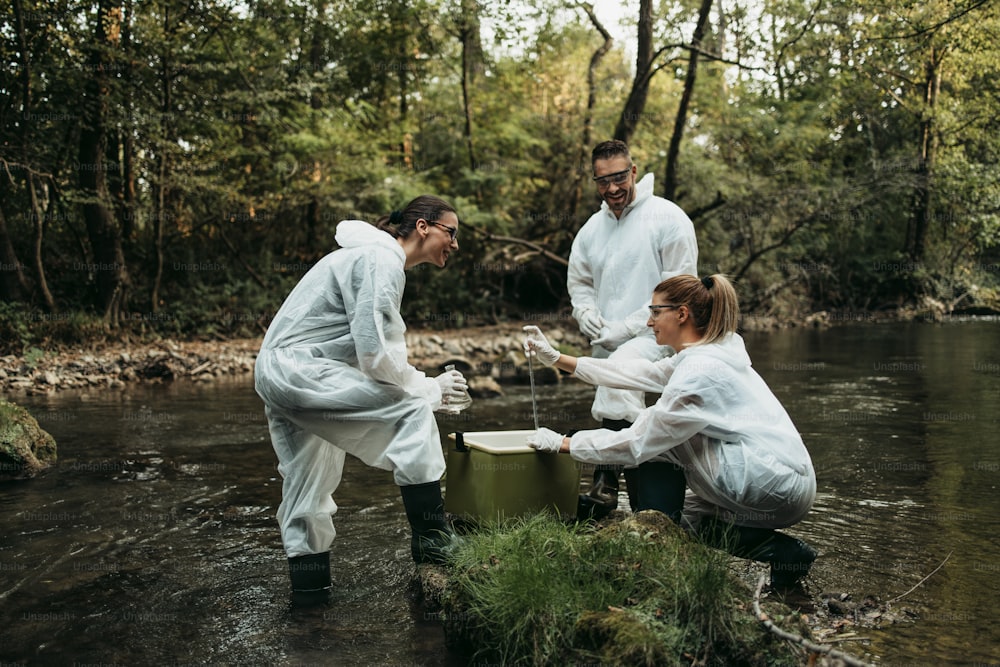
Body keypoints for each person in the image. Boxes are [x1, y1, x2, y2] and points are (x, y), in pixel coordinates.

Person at [523, 274, 818, 589]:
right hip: (776, 480)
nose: (649, 323)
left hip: (773, 482)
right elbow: (641, 373)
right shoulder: (706, 354)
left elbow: (638, 443)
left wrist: (564, 444)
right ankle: (785, 554)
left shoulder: (699, 371)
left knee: (655, 432)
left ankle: (652, 559)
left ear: (681, 314)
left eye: (654, 312)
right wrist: (557, 359)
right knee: (682, 522)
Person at [255, 195, 470, 606]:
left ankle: (310, 604)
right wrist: (431, 389)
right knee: (410, 411)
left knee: (307, 486)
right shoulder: (380, 258)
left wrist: (423, 387)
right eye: (451, 232)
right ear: (423, 226)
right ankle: (432, 540)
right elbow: (376, 355)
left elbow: (368, 350)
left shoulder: (369, 256)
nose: (455, 244)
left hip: (281, 373)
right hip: (302, 373)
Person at [568, 140, 698, 517]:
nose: (612, 188)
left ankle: (607, 484)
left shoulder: (667, 217)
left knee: (623, 384)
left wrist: (627, 328)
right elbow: (579, 280)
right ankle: (640, 503)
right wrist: (585, 311)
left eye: (619, 177)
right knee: (622, 401)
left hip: (661, 336)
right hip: (606, 339)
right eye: (602, 180)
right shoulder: (592, 229)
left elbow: (680, 288)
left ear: (634, 171)